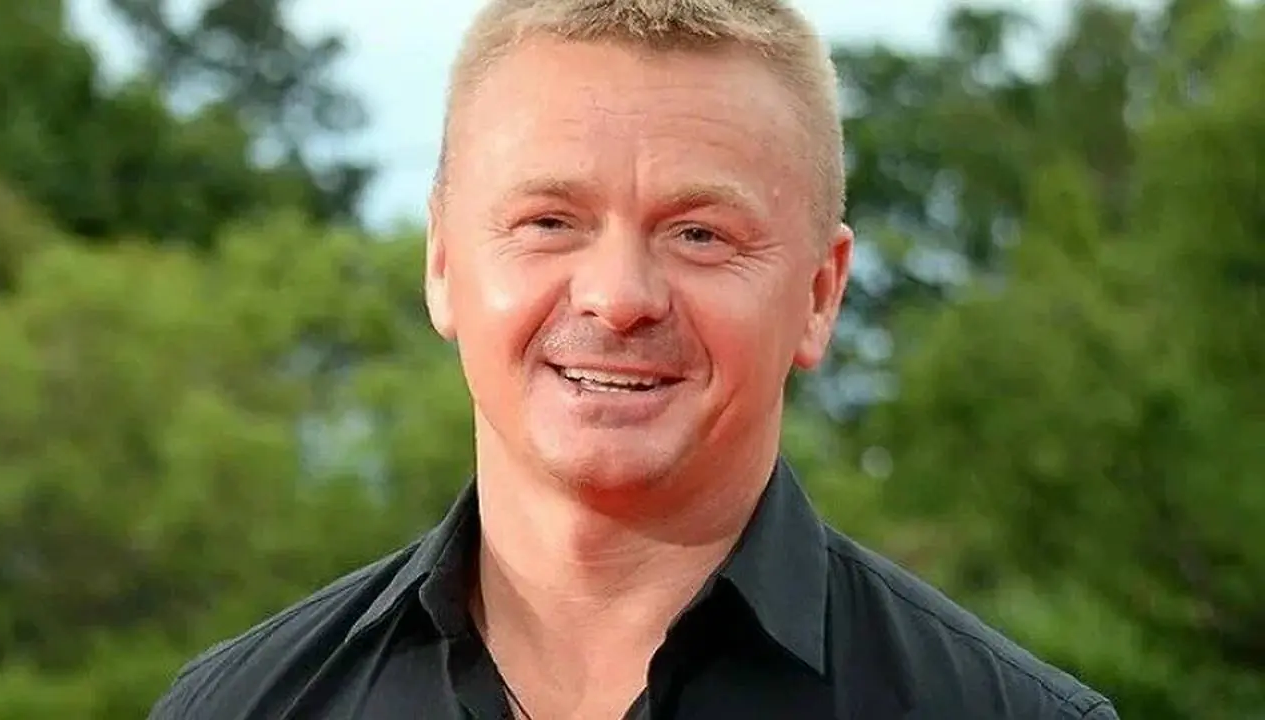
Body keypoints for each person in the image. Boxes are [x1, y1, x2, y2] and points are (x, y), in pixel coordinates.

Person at [147, 1, 1120, 718]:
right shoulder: (238, 708)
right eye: (549, 221)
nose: (617, 296)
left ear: (820, 295)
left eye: (699, 234)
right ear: (441, 263)